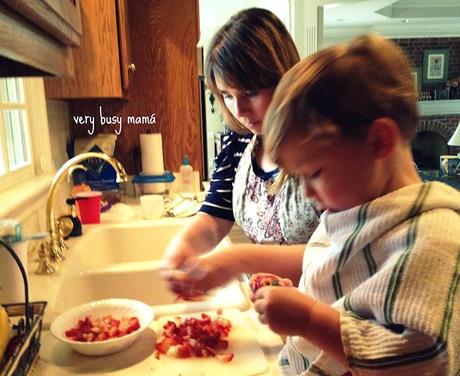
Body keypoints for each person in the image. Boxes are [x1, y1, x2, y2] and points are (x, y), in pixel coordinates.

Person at [168, 34, 460, 375]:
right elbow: (335, 270)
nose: (306, 192)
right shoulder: (354, 211)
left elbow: (423, 359)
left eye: (314, 173)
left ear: (379, 141)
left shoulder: (435, 240)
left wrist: (308, 318)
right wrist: (302, 292)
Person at [163, 8, 319, 273]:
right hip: (266, 300)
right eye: (227, 95)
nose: (239, 110)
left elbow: (338, 251)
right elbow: (215, 217)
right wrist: (181, 248)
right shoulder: (238, 143)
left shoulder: (322, 144)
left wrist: (239, 260)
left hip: (322, 308)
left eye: (250, 92)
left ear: (284, 78)